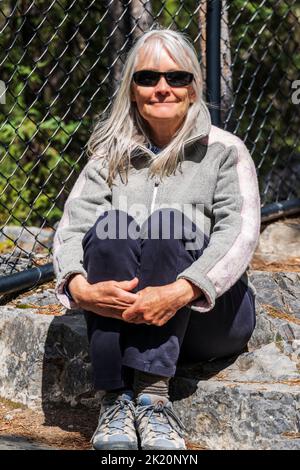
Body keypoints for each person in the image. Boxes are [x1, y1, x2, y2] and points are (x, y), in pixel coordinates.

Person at [53, 28, 260, 451]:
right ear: (132, 89)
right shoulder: (108, 155)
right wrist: (79, 287)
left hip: (208, 320)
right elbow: (73, 226)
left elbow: (240, 232)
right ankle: (115, 399)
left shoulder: (225, 150)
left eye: (176, 78)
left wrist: (183, 289)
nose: (162, 88)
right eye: (148, 78)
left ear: (193, 87)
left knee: (168, 223)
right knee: (110, 228)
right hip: (125, 319)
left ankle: (152, 396)